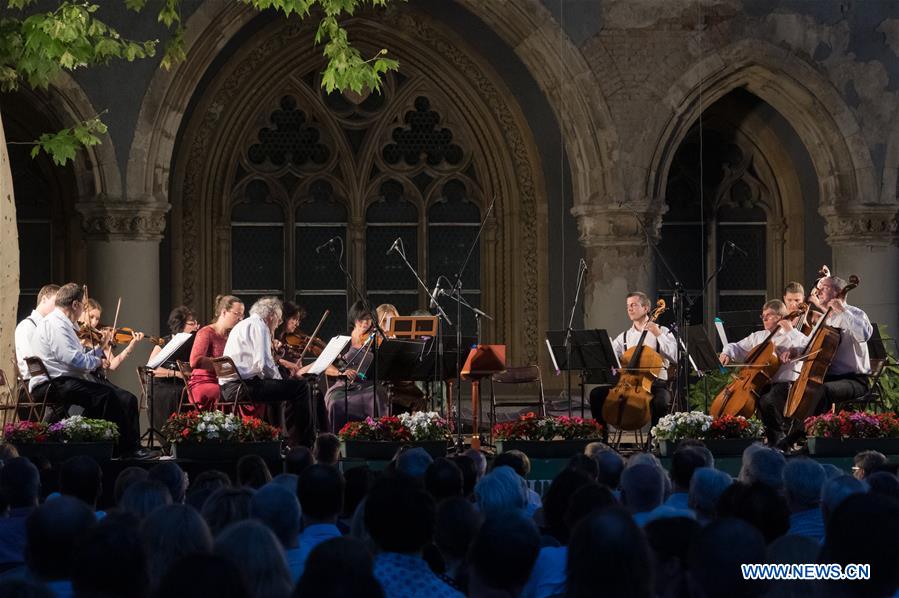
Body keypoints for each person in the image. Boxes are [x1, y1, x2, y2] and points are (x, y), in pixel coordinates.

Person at [29, 283, 151, 459]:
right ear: (75, 305)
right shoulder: (57, 325)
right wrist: (97, 361)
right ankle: (121, 449)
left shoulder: (60, 324)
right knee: (106, 395)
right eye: (84, 307)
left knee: (111, 396)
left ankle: (105, 446)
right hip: (55, 384)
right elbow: (72, 360)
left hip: (61, 380)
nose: (82, 313)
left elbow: (76, 357)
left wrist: (100, 350)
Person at [220, 297, 313, 447]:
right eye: (279, 320)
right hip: (241, 387)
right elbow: (264, 364)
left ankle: (278, 439)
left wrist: (277, 382)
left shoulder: (243, 324)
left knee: (276, 391)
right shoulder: (260, 326)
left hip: (230, 387)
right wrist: (280, 381)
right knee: (301, 387)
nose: (278, 324)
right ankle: (306, 442)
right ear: (272, 316)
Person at [718, 299, 808, 445]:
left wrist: (789, 330)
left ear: (780, 317)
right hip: (762, 385)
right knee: (760, 399)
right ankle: (769, 441)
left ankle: (780, 439)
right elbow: (737, 347)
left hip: (787, 386)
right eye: (763, 315)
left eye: (769, 315)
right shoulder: (759, 336)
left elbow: (807, 346)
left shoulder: (793, 335)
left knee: (766, 400)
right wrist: (727, 352)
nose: (764, 318)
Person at [589, 291, 676, 431]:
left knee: (661, 402)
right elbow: (609, 356)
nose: (629, 308)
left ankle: (654, 440)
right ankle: (601, 437)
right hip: (628, 385)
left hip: (656, 385)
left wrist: (658, 335)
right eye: (628, 306)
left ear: (646, 308)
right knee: (596, 394)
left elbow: (675, 356)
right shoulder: (624, 336)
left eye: (634, 305)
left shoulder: (662, 331)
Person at [804, 273, 873, 411]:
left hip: (855, 379)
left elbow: (864, 335)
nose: (818, 291)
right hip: (828, 376)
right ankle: (801, 430)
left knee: (822, 391)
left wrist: (842, 310)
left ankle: (816, 429)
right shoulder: (824, 319)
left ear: (837, 292)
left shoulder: (856, 313)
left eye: (824, 288)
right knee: (800, 389)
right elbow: (808, 345)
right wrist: (794, 351)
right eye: (819, 288)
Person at [322, 301, 387, 432]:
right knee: (335, 403)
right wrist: (341, 373)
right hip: (343, 386)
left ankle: (377, 436)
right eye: (361, 318)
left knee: (378, 396)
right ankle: (337, 439)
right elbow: (326, 366)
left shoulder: (374, 341)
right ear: (354, 319)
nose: (365, 322)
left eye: (369, 319)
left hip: (368, 385)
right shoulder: (342, 339)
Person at [189, 295, 244, 410]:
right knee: (223, 394)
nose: (240, 319)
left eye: (242, 315)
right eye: (237, 314)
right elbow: (195, 361)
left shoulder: (233, 336)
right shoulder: (205, 332)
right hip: (204, 381)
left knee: (250, 393)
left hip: (225, 381)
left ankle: (249, 427)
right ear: (224, 312)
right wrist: (226, 366)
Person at [147, 306, 199, 423]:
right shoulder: (163, 342)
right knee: (177, 393)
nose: (196, 326)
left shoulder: (193, 343)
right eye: (192, 323)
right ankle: (173, 430)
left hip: (183, 383)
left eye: (196, 323)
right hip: (163, 385)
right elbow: (151, 370)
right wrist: (176, 373)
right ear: (180, 325)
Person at [13, 283, 58, 388]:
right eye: (56, 303)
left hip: (48, 380)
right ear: (44, 299)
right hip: (32, 384)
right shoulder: (26, 326)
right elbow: (32, 365)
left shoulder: (51, 327)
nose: (58, 309)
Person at [82, 298, 145, 372]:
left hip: (98, 379)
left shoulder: (100, 338)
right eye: (91, 317)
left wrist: (131, 346)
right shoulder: (76, 333)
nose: (94, 322)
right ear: (83, 313)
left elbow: (113, 365)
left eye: (97, 319)